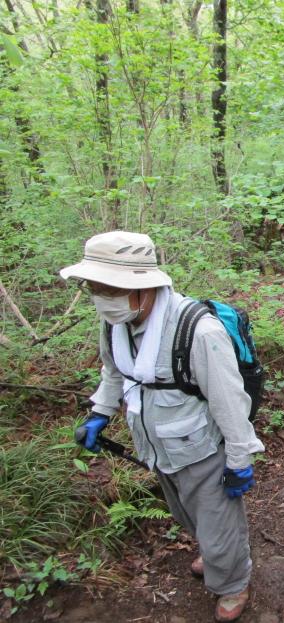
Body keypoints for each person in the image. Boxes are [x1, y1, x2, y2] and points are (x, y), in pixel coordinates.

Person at [62, 231, 264, 622]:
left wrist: (240, 456)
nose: (101, 296)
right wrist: (100, 411)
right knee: (186, 514)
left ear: (141, 285)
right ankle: (216, 554)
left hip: (203, 448)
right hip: (156, 444)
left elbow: (229, 400)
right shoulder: (115, 322)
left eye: (109, 288)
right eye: (96, 288)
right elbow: (114, 371)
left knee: (218, 522)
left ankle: (234, 582)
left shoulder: (198, 331)